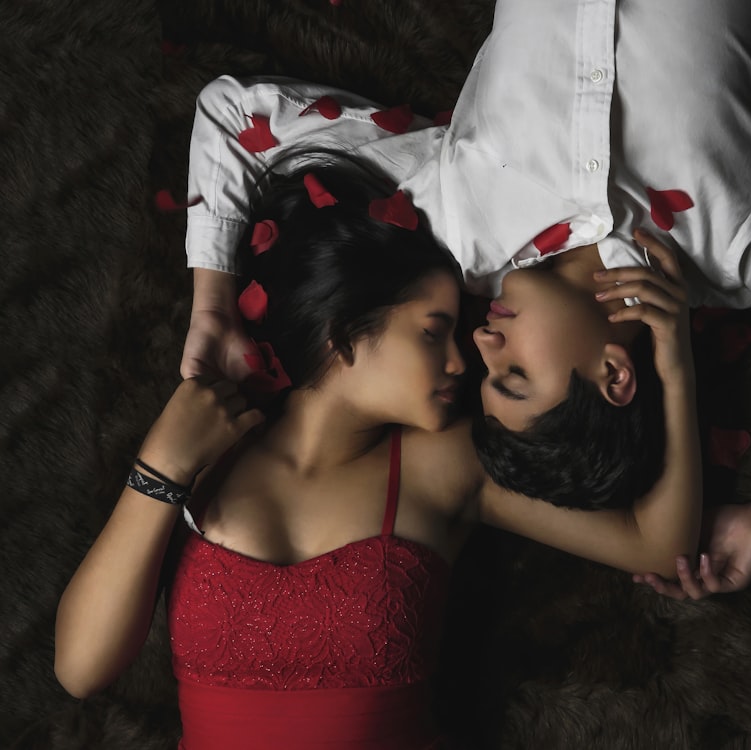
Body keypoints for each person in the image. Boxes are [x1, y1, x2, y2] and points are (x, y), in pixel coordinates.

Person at [180, 0, 751, 595]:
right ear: (616, 375)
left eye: (479, 372)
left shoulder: (451, 222)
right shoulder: (746, 234)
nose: (478, 346)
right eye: (514, 378)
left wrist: (213, 311)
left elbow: (234, 116)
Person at [54, 159, 701, 748]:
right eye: (433, 331)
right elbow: (81, 669)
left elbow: (655, 544)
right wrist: (158, 472)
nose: (462, 358)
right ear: (345, 334)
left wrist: (673, 360)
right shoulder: (206, 453)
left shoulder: (443, 465)